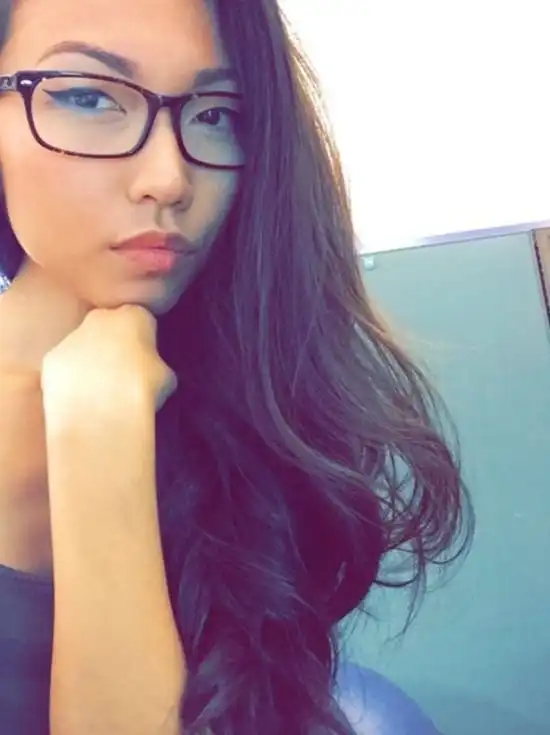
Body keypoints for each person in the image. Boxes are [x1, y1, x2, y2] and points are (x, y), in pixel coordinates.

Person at [0, 0, 473, 733]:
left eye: (217, 114)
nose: (170, 177)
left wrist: (103, 446)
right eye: (89, 97)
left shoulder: (249, 418)